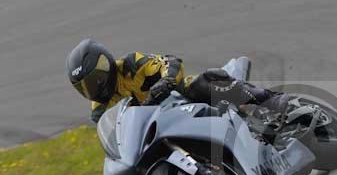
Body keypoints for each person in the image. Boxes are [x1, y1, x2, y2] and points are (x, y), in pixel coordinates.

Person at [66, 39, 288, 123]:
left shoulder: (132, 63)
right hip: (157, 125)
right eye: (83, 87)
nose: (91, 89)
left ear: (105, 65)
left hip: (180, 98)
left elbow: (168, 62)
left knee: (207, 80)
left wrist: (167, 81)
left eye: (93, 81)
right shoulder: (100, 112)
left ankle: (273, 102)